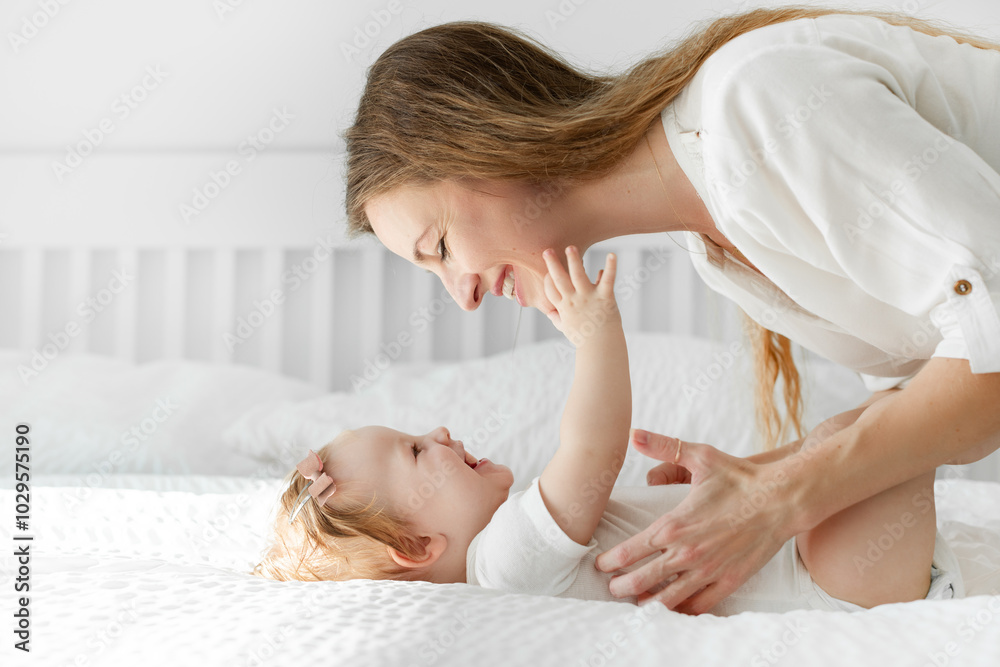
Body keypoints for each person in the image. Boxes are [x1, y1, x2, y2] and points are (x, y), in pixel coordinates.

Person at [342, 6, 1000, 613]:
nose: (462, 295)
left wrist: (780, 499)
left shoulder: (758, 102)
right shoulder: (716, 251)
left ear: (487, 146)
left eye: (441, 248)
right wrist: (754, 482)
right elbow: (921, 400)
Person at [252, 248, 961, 614]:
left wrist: (734, 480)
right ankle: (962, 333)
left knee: (852, 429)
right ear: (416, 547)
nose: (437, 429)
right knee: (897, 421)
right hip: (829, 581)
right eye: (414, 449)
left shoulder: (515, 549)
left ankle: (959, 354)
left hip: (826, 557)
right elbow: (592, 448)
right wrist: (596, 333)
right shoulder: (502, 564)